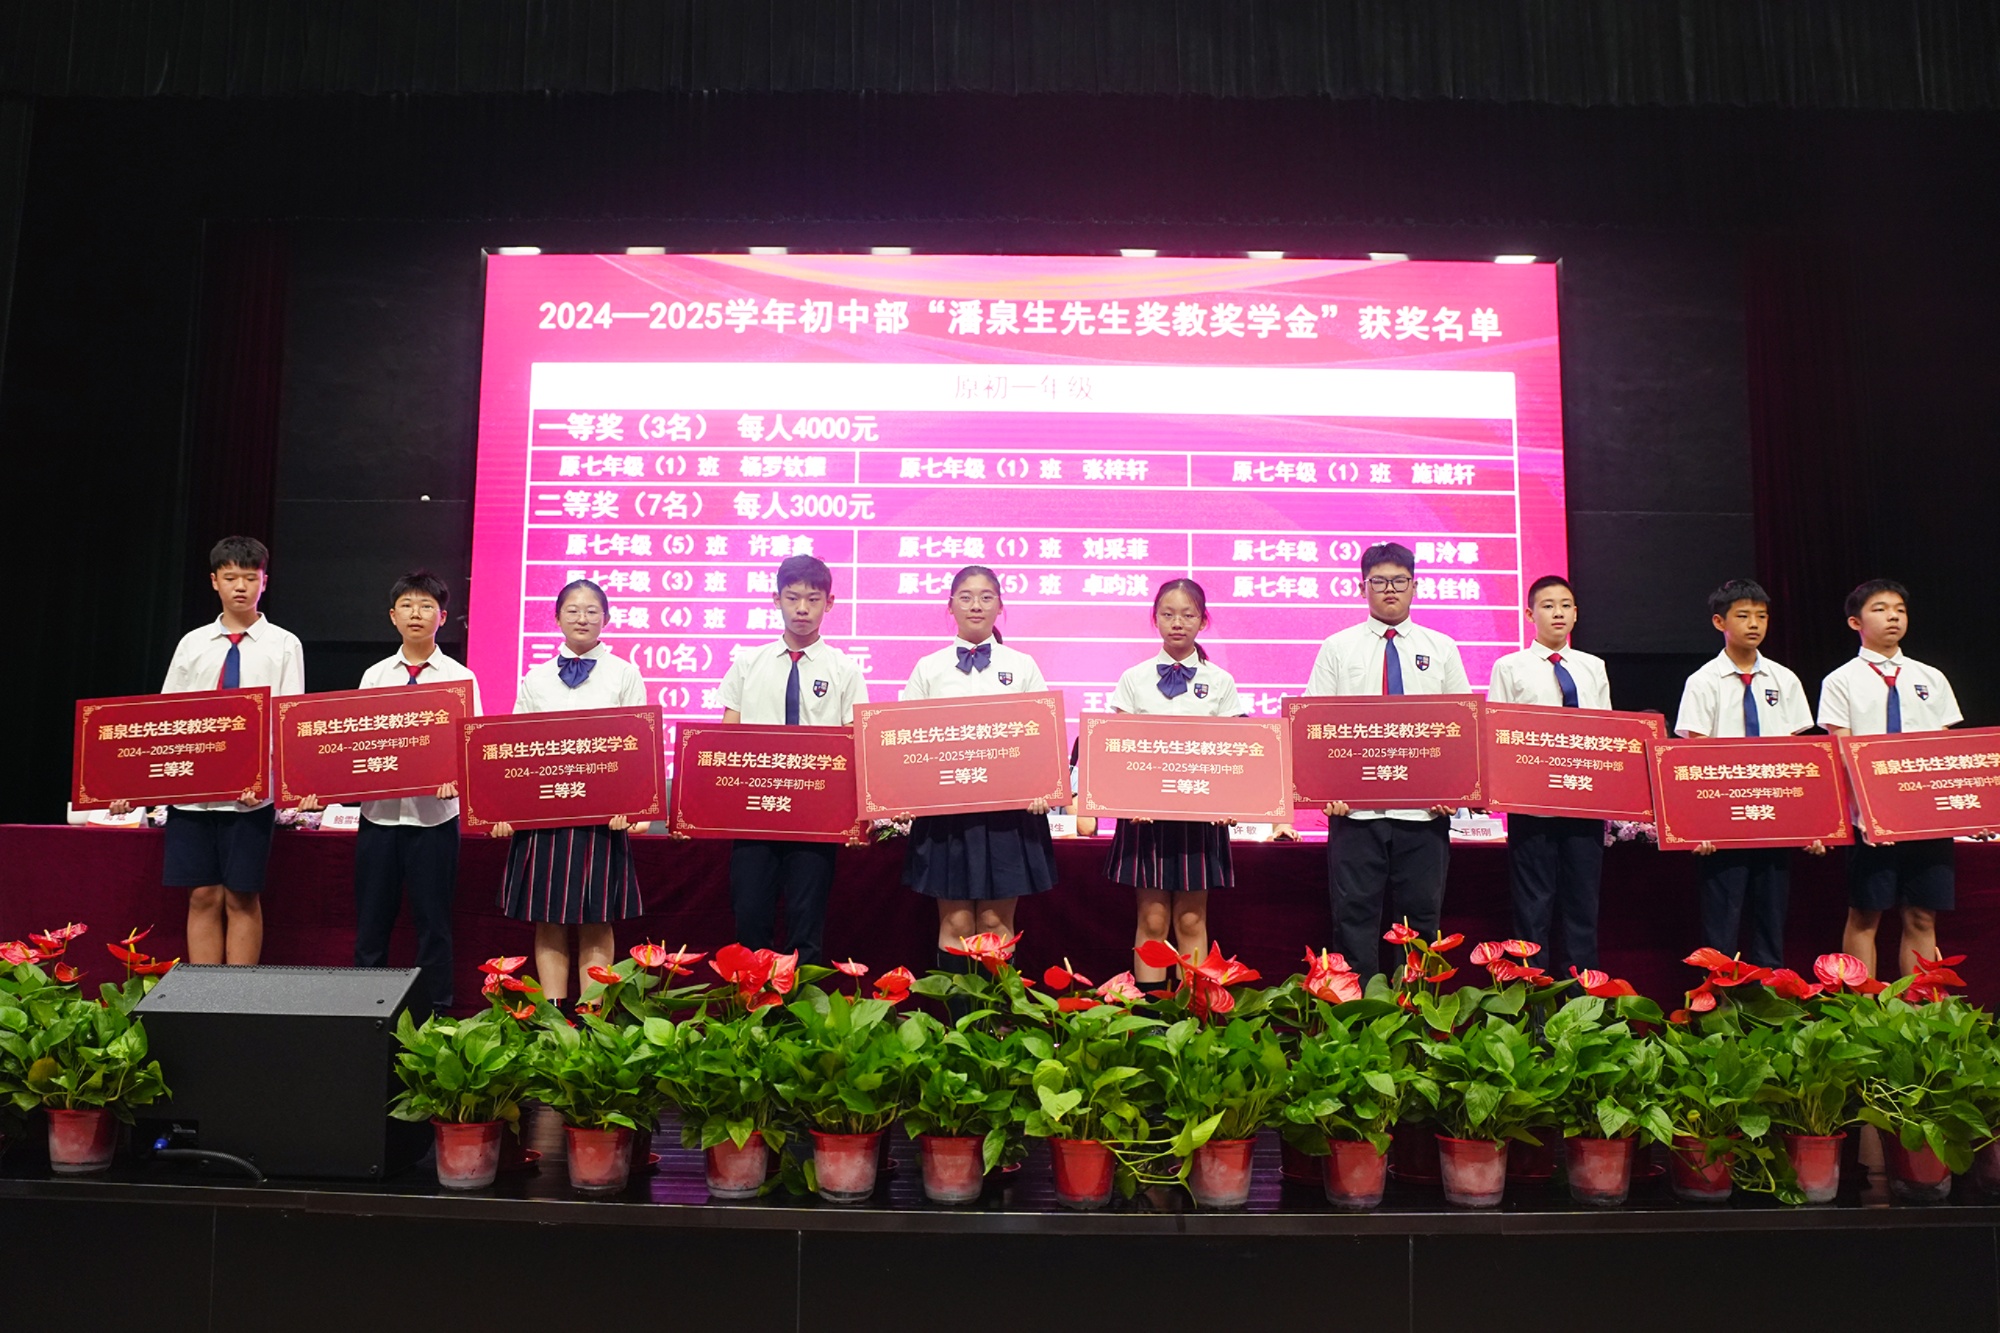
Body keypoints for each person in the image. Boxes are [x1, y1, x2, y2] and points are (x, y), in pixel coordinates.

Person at [112, 536, 305, 965]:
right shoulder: (193, 643)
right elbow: (165, 719)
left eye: (250, 577)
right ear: (214, 581)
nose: (241, 586)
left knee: (241, 895)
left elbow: (287, 718)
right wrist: (135, 784)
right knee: (201, 894)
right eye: (231, 577)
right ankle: (202, 995)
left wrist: (264, 778)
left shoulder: (283, 644)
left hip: (251, 798)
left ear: (264, 582)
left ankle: (237, 995)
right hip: (192, 796)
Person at [298, 572, 480, 1016]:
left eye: (426, 606)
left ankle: (437, 1014)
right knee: (371, 923)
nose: (416, 614)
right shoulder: (375, 675)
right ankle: (365, 1012)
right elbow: (353, 744)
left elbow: (470, 745)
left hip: (434, 819)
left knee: (433, 924)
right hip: (379, 819)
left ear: (442, 618)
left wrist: (455, 775)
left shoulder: (461, 679)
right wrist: (320, 785)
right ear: (392, 616)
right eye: (407, 606)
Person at [1307, 542, 1468, 979]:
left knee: (1421, 923)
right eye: (1379, 581)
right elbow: (1314, 723)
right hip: (1355, 813)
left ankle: (1415, 1014)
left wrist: (1453, 791)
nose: (1390, 589)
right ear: (1362, 588)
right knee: (1353, 921)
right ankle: (1359, 1014)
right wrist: (1327, 791)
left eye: (1399, 580)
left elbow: (1460, 725)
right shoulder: (1337, 648)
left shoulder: (1442, 647)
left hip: (1424, 812)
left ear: (1415, 586)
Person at [486, 579, 649, 1008]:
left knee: (597, 917)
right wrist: (504, 809)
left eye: (592, 610)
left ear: (606, 619)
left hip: (602, 818)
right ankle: (555, 1018)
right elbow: (515, 746)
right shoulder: (536, 676)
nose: (582, 618)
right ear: (557, 617)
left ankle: (592, 1015)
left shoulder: (625, 673)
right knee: (548, 918)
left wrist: (635, 807)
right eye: (573, 610)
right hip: (544, 815)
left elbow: (638, 745)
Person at [901, 565, 1057, 971]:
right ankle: (958, 1014)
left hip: (1008, 815)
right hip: (946, 813)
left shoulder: (1022, 665)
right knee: (955, 922)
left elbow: (1041, 737)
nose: (976, 605)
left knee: (994, 922)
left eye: (986, 597)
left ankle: (996, 1012)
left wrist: (1043, 786)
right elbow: (903, 739)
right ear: (950, 605)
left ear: (1000, 606)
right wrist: (899, 796)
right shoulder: (928, 667)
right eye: (966, 597)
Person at [715, 554, 869, 963]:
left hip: (816, 817)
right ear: (775, 599)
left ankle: (802, 1004)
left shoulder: (845, 670)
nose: (802, 608)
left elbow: (853, 744)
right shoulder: (747, 663)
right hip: (754, 811)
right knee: (750, 918)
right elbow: (727, 740)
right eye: (792, 597)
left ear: (829, 603)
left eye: (813, 599)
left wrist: (855, 815)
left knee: (807, 924)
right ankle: (751, 1002)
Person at [1818, 579, 1965, 979]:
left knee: (1922, 915)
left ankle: (1921, 1007)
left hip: (1927, 817)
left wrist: (1963, 810)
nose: (1893, 617)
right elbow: (1841, 750)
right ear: (1856, 622)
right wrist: (1870, 811)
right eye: (1880, 609)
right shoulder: (1840, 680)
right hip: (1869, 819)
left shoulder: (1931, 677)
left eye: (1899, 609)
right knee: (1865, 915)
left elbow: (1948, 751)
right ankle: (1861, 1006)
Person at [1673, 577, 1820, 969]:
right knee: (1721, 928)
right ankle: (1718, 1000)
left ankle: (1770, 997)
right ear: (1719, 622)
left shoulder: (1785, 679)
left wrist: (1809, 823)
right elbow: (1694, 758)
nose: (1754, 624)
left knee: (1771, 923)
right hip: (1723, 824)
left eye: (1762, 616)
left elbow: (1799, 758)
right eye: (1743, 615)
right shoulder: (1703, 681)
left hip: (1774, 818)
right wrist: (1697, 826)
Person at [1106, 579, 1241, 986]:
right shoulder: (1134, 678)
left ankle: (1192, 1009)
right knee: (1152, 918)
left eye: (1187, 614)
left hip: (1200, 815)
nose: (1177, 622)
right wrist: (1130, 800)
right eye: (1168, 614)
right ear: (1155, 619)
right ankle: (1150, 1016)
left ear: (1203, 620)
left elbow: (1234, 751)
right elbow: (1119, 748)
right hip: (1144, 817)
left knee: (1191, 918)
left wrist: (1229, 802)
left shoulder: (1221, 681)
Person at [1487, 575, 1612, 972]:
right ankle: (1533, 997)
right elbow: (1497, 732)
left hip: (1584, 806)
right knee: (1532, 908)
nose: (1558, 613)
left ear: (1576, 614)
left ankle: (1583, 997)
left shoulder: (1593, 667)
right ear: (1529, 614)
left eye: (1565, 605)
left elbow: (1608, 734)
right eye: (1548, 605)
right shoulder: (1509, 667)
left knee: (1582, 907)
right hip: (1531, 808)